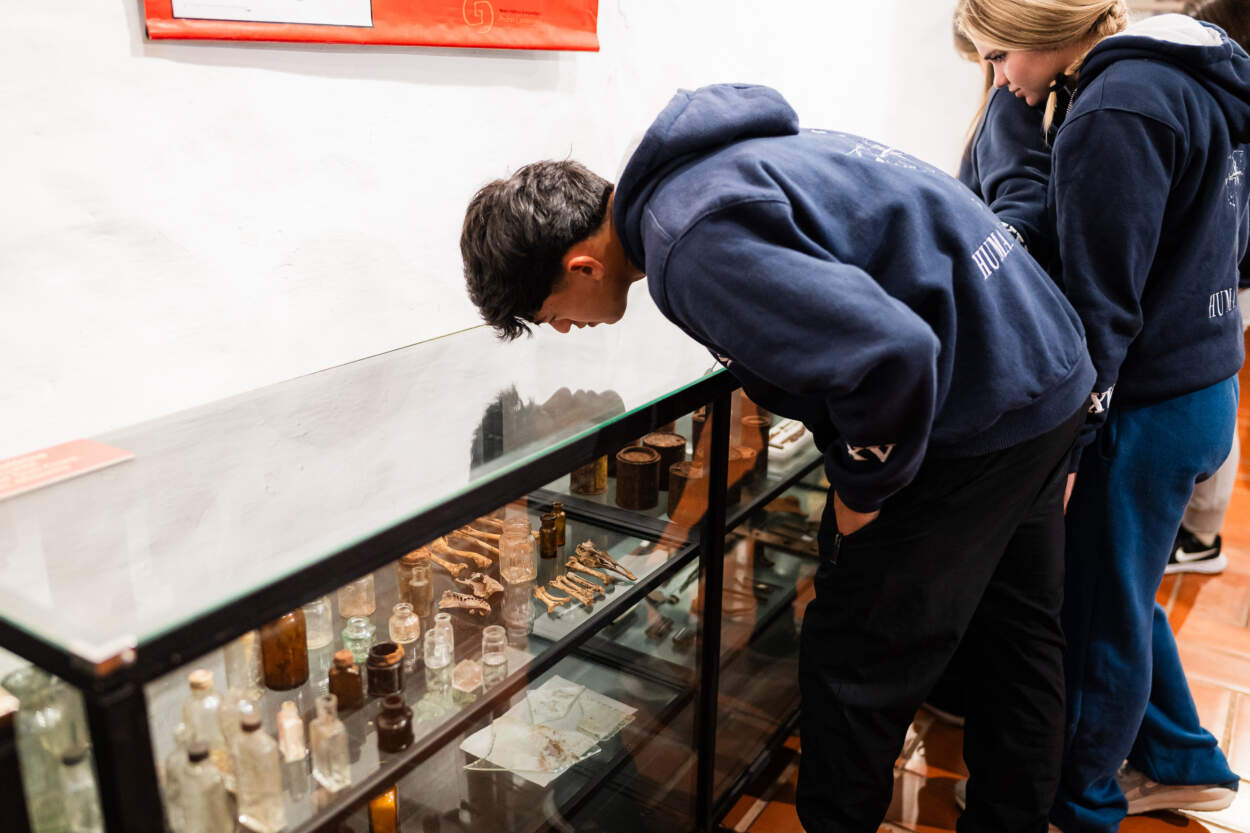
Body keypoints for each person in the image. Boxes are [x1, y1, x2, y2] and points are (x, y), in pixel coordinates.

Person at [461, 83, 1096, 832]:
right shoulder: (708, 170)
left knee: (852, 667)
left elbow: (893, 355)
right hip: (1041, 374)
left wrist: (864, 493)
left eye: (550, 317)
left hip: (972, 412)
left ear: (582, 266)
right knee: (1021, 639)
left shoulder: (687, 242)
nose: (565, 331)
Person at [956, 2, 1250, 831]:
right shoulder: (1196, 74)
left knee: (1093, 615)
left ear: (1047, 33)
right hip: (1206, 380)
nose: (1004, 80)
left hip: (1147, 405)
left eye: (1002, 55)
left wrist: (1075, 443)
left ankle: (1078, 803)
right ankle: (1185, 759)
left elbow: (1099, 308)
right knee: (1125, 593)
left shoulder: (1115, 109)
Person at [1170, 0, 1250, 576]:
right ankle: (1198, 529)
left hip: (1234, 273)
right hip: (1231, 267)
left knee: (1215, 376)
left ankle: (1199, 539)